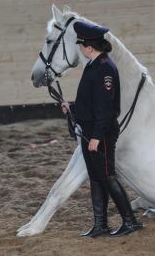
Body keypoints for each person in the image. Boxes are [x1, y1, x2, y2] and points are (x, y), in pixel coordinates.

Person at [61, 21, 142, 238]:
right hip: (90, 130)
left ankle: (130, 222)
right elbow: (92, 101)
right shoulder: (93, 65)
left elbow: (106, 109)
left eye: (81, 45)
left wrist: (97, 136)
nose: (80, 48)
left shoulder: (105, 68)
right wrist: (73, 107)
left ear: (89, 47)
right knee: (96, 177)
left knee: (107, 176)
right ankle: (100, 225)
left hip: (101, 132)